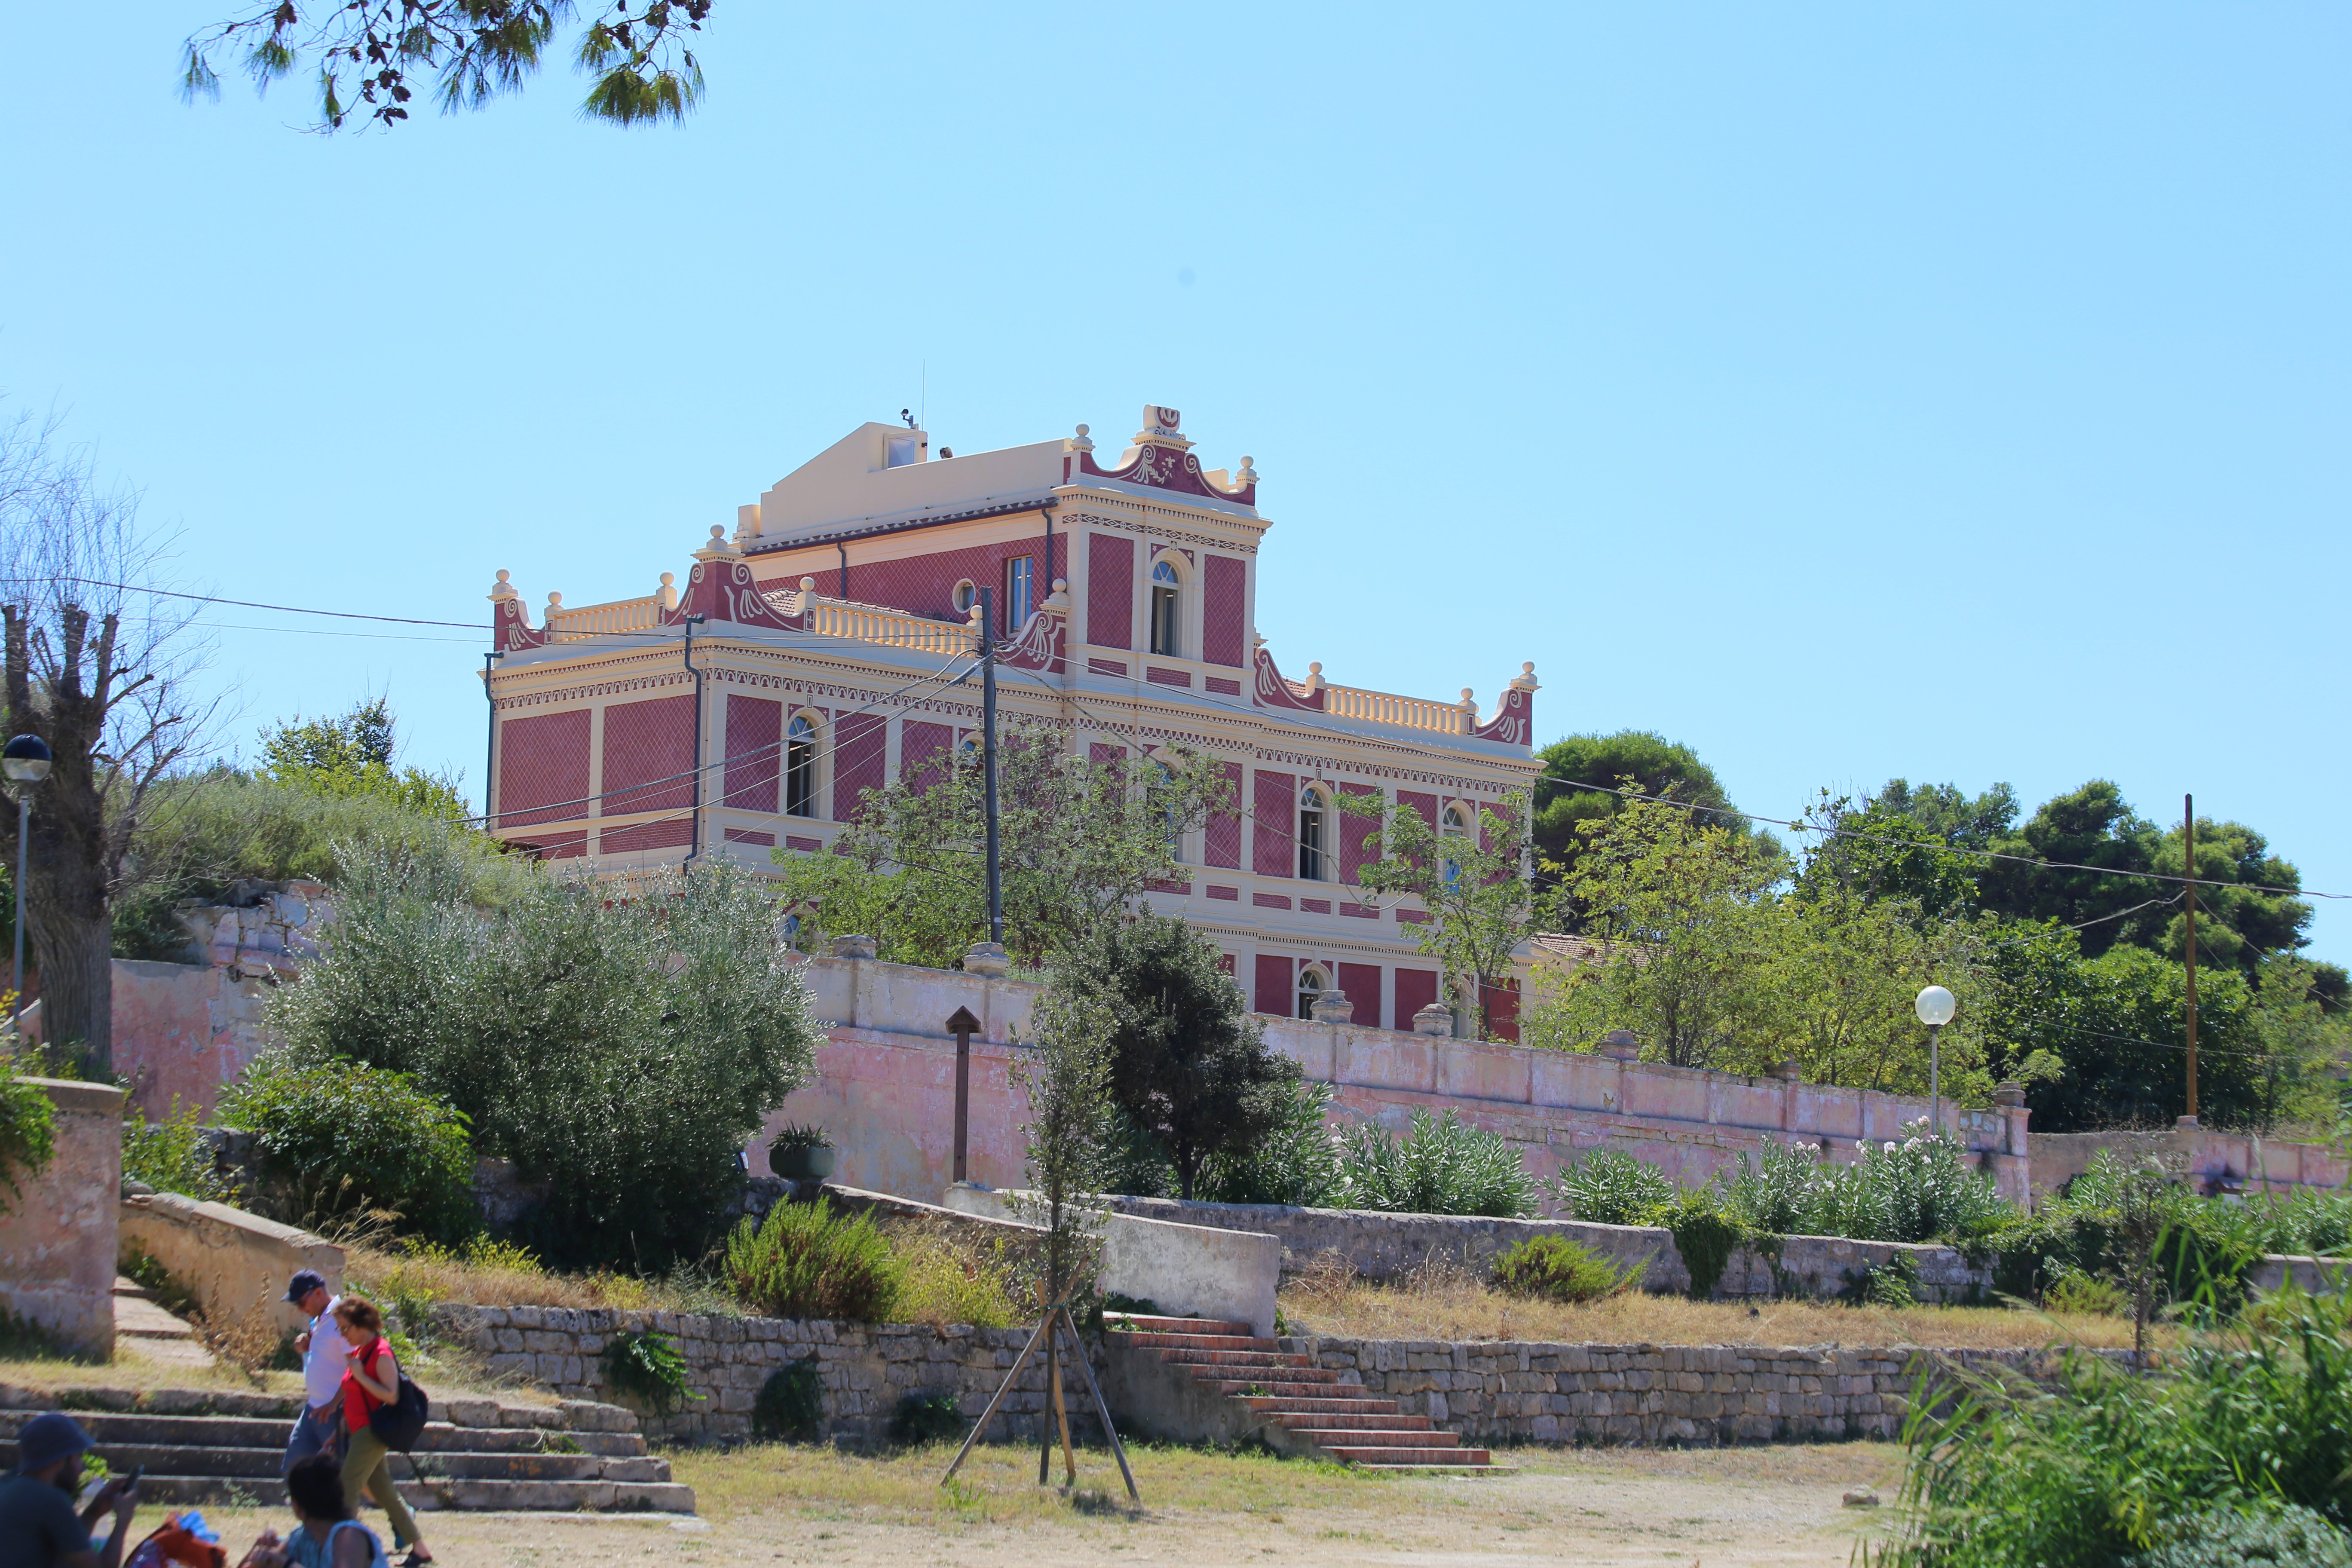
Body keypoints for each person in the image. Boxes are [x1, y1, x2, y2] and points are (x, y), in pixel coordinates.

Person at [329, 1298, 430, 1568]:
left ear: (361, 1325)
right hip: (359, 1430)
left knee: (348, 1485)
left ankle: (347, 1553)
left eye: (345, 1328)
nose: (343, 1334)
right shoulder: (363, 1352)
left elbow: (392, 1396)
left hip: (371, 1434)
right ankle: (420, 1550)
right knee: (385, 1493)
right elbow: (352, 1397)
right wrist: (336, 1433)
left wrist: (361, 1376)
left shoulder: (381, 1353)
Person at [0, 1411, 141, 1568]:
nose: (82, 1469)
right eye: (78, 1458)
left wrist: (94, 1512)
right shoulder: (51, 1500)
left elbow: (65, 1561)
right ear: (62, 1459)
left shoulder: (6, 1484)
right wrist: (123, 1520)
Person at [230, 1454, 384, 1568]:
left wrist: (286, 1564)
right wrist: (257, 1551)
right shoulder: (302, 1538)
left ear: (297, 1505)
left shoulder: (350, 1536)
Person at [281, 1270, 350, 1476]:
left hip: (334, 1411)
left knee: (343, 1475)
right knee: (294, 1468)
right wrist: (305, 1349)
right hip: (314, 1408)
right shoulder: (320, 1320)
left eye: (301, 1302)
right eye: (297, 1305)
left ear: (319, 1293)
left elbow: (355, 1368)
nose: (300, 1309)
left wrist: (335, 1404)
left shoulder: (342, 1319)